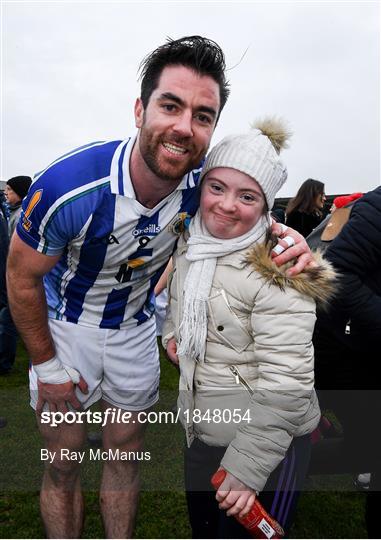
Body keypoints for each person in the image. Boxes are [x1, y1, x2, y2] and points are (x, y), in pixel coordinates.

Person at [6, 36, 314, 539]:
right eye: (170, 105)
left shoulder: (203, 185)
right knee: (63, 462)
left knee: (125, 456)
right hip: (68, 329)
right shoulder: (69, 185)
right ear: (139, 109)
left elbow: (248, 212)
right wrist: (45, 365)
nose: (183, 127)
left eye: (202, 115)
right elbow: (21, 276)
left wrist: (290, 238)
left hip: (134, 328)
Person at [162, 118, 335, 538]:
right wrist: (174, 334)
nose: (226, 205)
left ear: (265, 205)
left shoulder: (280, 268)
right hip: (202, 432)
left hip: (268, 448)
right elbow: (180, 301)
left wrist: (245, 468)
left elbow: (288, 385)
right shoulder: (192, 244)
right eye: (217, 187)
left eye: (247, 195)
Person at [312, 186, 381, 538]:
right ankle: (276, 463)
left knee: (366, 448)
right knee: (369, 448)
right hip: (344, 351)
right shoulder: (377, 206)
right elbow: (337, 272)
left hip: (366, 347)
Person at [0, 190, 18, 375]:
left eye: (10, 190)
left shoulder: (18, 215)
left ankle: (4, 363)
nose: (6, 193)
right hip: (8, 269)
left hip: (11, 271)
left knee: (8, 318)